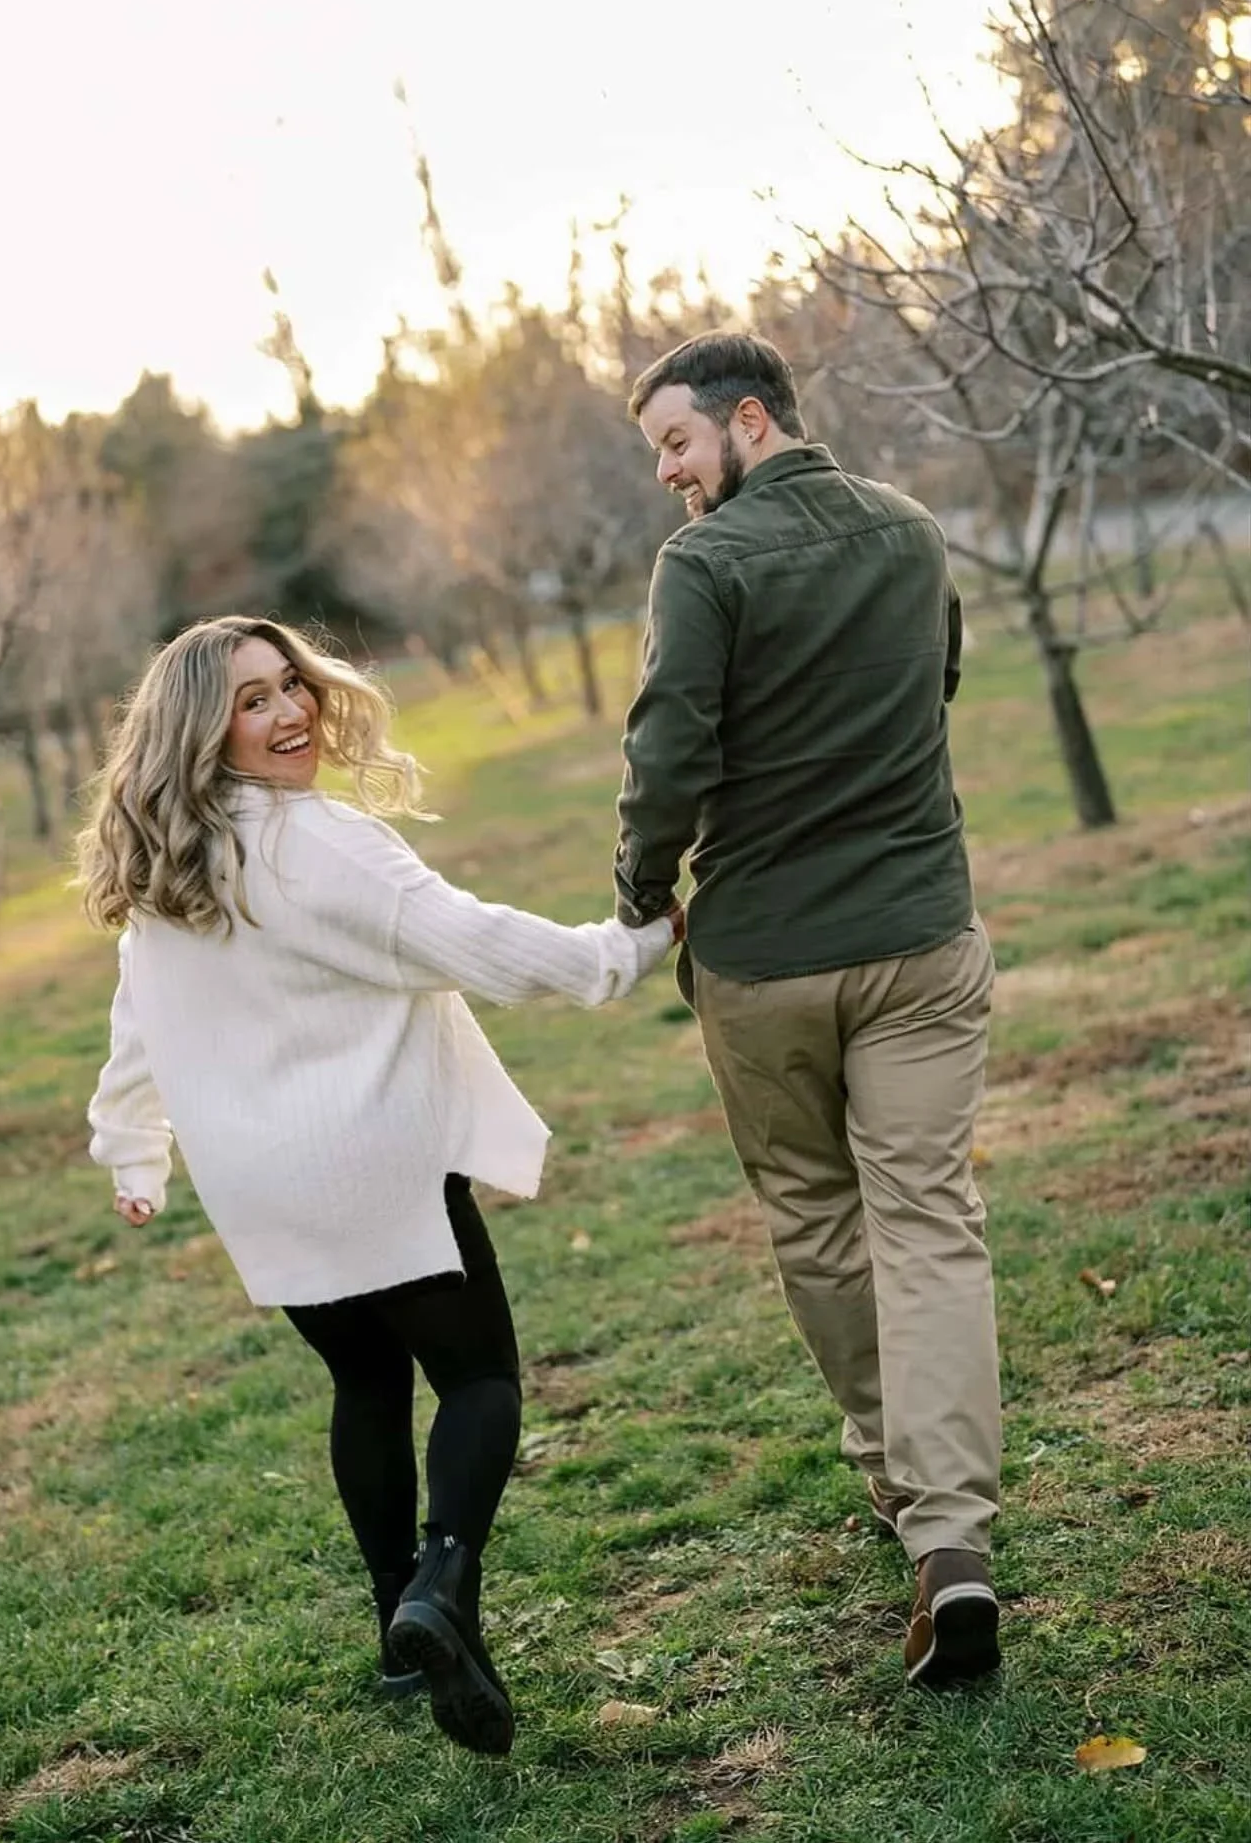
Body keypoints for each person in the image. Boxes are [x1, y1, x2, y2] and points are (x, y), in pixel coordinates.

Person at [77, 615, 680, 1755]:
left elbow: (134, 1033)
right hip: (370, 1160)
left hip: (262, 1182)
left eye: (289, 683)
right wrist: (628, 949)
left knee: (363, 1380)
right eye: (250, 700)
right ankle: (440, 1588)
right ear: (201, 732)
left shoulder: (169, 862)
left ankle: (399, 1623)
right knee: (482, 1377)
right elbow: (475, 941)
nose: (290, 710)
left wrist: (132, 1150)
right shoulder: (321, 842)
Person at [614, 331, 1002, 1688]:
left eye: (675, 441)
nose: (667, 472)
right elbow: (937, 686)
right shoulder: (910, 532)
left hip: (768, 958)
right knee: (930, 1219)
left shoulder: (706, 566)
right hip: (917, 931)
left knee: (823, 1223)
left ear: (752, 421)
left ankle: (904, 1488)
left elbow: (669, 749)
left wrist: (638, 883)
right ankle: (955, 1537)